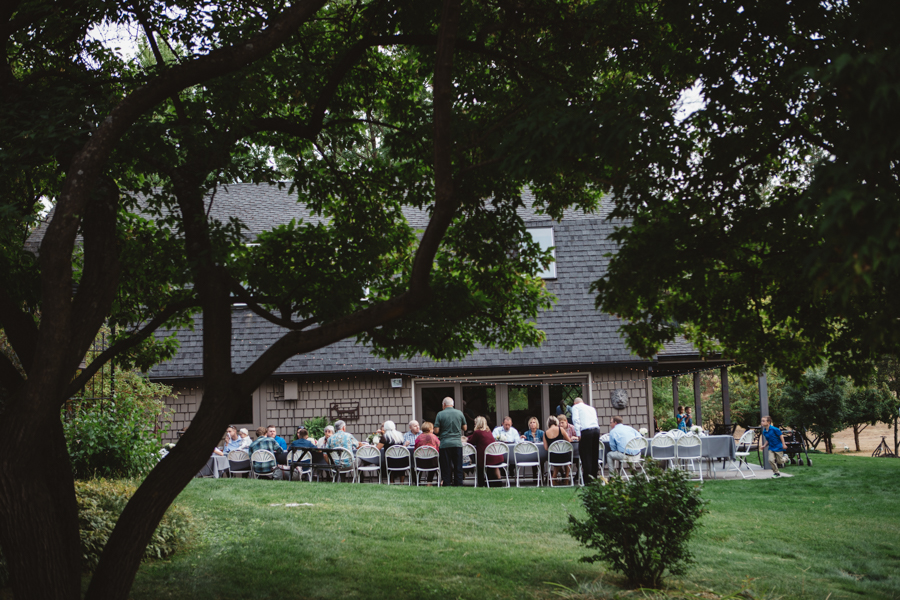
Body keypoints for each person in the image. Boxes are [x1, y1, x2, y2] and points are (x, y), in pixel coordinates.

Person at [433, 397, 467, 486]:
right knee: (458, 465)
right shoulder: (459, 413)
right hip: (457, 443)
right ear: (453, 404)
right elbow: (465, 428)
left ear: (444, 405)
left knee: (446, 466)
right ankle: (458, 483)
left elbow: (436, 431)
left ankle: (447, 483)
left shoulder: (440, 414)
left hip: (445, 444)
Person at [570, 397, 600, 483]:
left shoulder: (576, 407)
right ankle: (594, 477)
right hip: (596, 430)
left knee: (585, 455)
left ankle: (587, 479)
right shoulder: (591, 408)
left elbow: (576, 420)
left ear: (575, 403)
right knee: (594, 455)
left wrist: (578, 434)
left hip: (586, 431)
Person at [465, 416, 496, 487]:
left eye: (475, 423)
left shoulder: (478, 432)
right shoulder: (488, 431)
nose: (474, 424)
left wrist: (465, 439)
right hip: (492, 455)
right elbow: (474, 436)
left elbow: (471, 441)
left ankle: (480, 483)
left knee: (478, 464)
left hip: (484, 457)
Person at [543, 415, 572, 483]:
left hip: (553, 457)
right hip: (564, 456)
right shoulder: (561, 429)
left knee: (557, 458)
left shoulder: (545, 433)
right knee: (566, 455)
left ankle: (554, 477)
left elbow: (546, 448)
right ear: (556, 422)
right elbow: (569, 441)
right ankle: (566, 477)